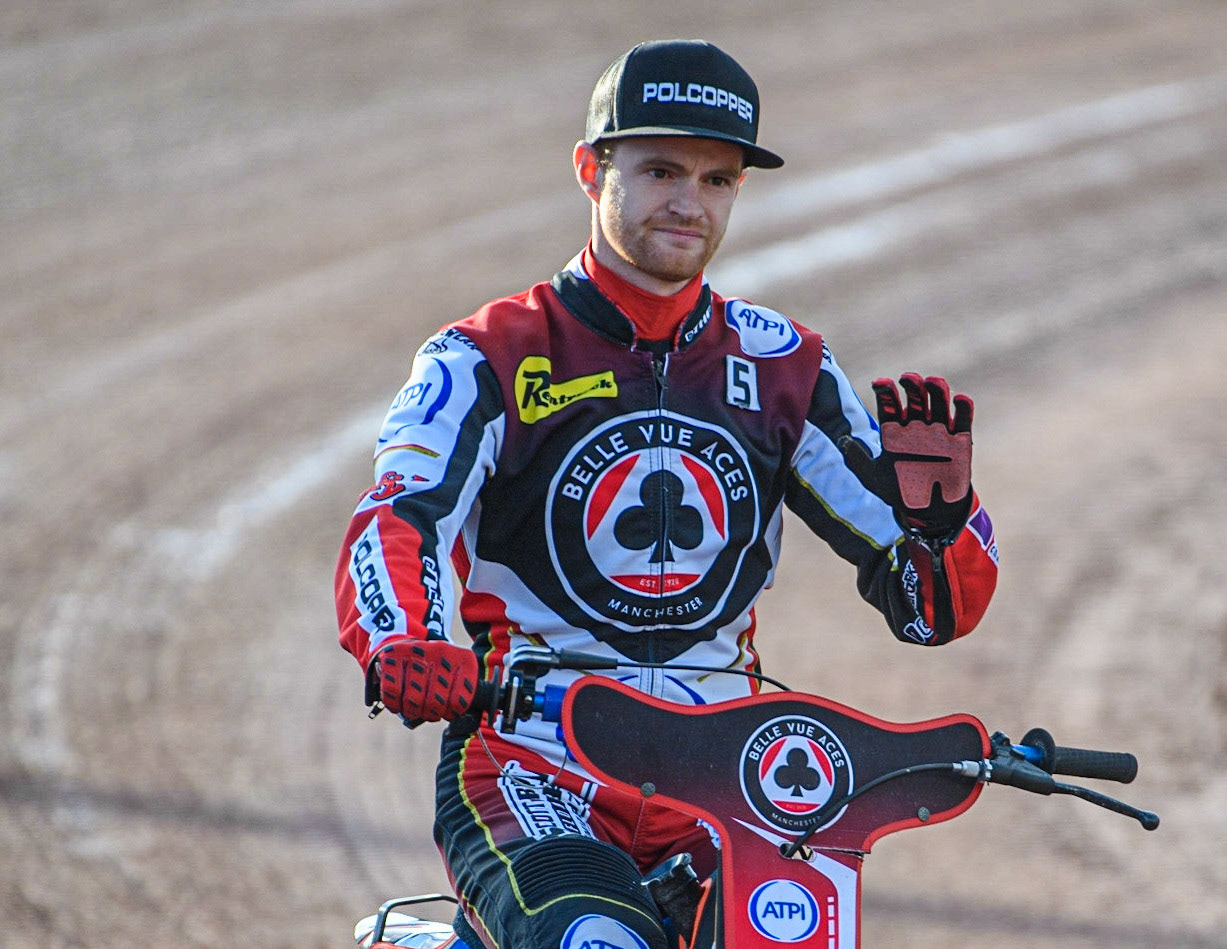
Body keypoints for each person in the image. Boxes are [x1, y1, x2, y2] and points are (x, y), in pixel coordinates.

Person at [335, 39, 999, 949]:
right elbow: (398, 516)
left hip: (728, 777)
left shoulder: (786, 368)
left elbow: (930, 610)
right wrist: (406, 640)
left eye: (717, 179)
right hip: (532, 761)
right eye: (658, 170)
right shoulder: (486, 353)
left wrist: (945, 528)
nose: (688, 203)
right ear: (589, 169)